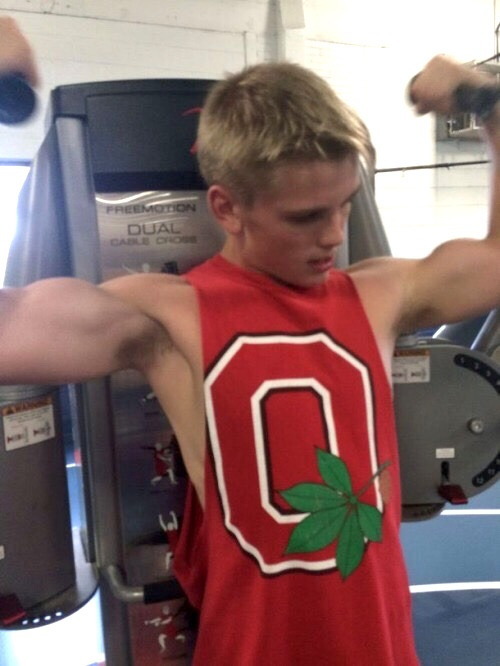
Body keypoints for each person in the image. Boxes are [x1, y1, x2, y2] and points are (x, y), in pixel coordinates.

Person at [1, 16, 499, 660]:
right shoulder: (168, 318)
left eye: (344, 204)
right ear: (226, 208)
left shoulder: (380, 295)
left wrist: (488, 100)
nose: (334, 234)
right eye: (306, 216)